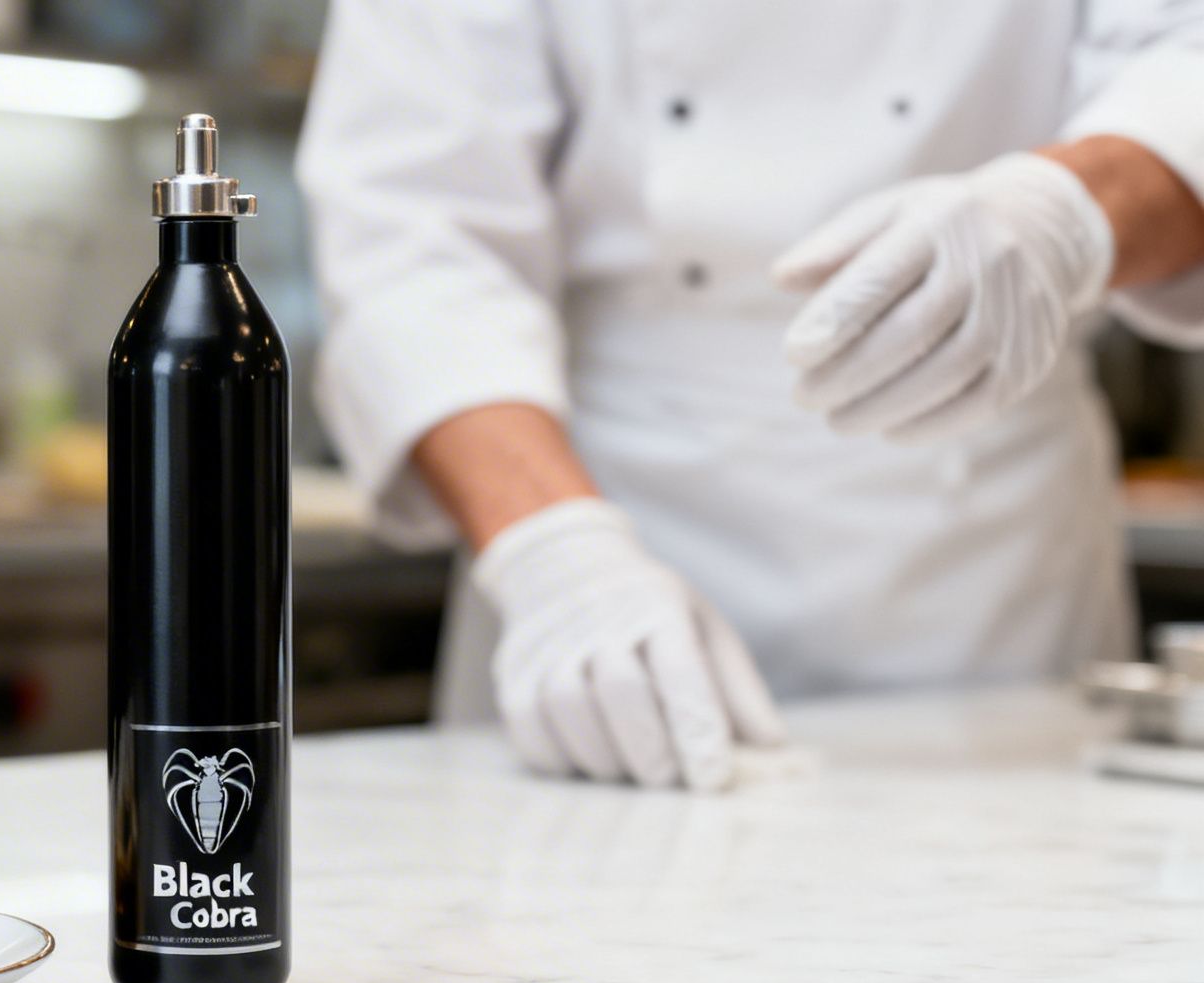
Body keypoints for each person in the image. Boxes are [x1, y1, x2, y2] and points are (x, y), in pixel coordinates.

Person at [296, 2, 1204, 790]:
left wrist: (1068, 213)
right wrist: (556, 558)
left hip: (988, 575)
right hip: (613, 510)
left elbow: (1185, 65)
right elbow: (412, 241)